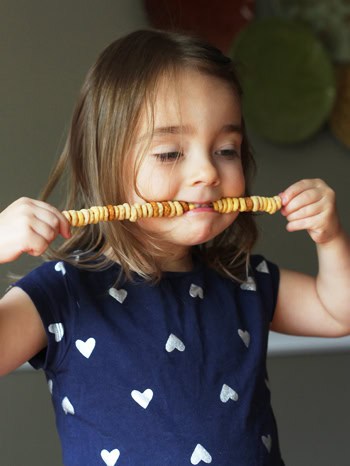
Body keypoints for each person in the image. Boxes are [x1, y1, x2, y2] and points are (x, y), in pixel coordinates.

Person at [0, 29, 349, 466]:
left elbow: (338, 312)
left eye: (226, 149)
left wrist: (330, 238)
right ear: (103, 164)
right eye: (168, 153)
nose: (207, 171)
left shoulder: (243, 281)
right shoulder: (62, 294)